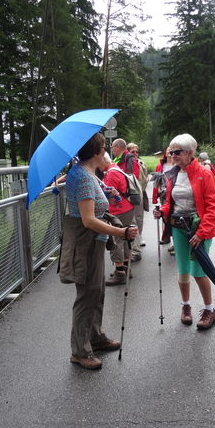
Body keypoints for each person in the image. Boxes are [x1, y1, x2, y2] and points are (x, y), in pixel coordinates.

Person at [58, 133, 138, 370]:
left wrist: (107, 192)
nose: (106, 151)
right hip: (87, 243)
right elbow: (88, 220)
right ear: (95, 152)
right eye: (104, 147)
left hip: (95, 243)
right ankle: (80, 350)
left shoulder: (87, 173)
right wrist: (121, 233)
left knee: (97, 291)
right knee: (87, 295)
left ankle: (95, 336)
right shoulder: (82, 177)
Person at [153, 134, 215, 329]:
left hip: (198, 228)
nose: (172, 156)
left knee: (199, 271)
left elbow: (213, 207)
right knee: (182, 269)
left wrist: (202, 233)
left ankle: (210, 310)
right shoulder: (173, 173)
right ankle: (186, 307)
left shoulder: (204, 173)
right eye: (171, 152)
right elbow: (172, 203)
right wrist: (163, 210)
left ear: (190, 153)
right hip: (178, 227)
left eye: (177, 152)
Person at [99, 153, 137, 285]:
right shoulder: (114, 169)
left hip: (120, 210)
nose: (98, 166)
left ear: (104, 159)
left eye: (99, 162)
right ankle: (126, 268)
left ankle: (120, 272)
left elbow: (108, 195)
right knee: (124, 238)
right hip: (126, 208)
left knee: (117, 239)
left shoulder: (111, 173)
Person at [127, 143, 149, 257]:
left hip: (139, 193)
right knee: (131, 217)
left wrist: (142, 188)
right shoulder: (125, 163)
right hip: (128, 194)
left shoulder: (141, 164)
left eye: (136, 151)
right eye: (132, 152)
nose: (135, 154)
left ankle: (139, 235)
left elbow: (145, 177)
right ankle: (132, 237)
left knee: (139, 216)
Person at [150, 147, 175, 246]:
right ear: (165, 152)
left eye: (171, 150)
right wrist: (159, 190)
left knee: (174, 215)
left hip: (173, 193)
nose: (169, 151)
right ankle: (166, 236)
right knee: (164, 214)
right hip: (163, 194)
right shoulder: (161, 166)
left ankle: (175, 239)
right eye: (168, 150)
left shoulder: (177, 165)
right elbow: (158, 180)